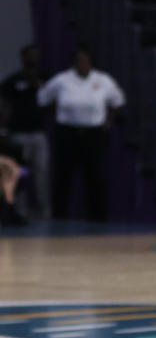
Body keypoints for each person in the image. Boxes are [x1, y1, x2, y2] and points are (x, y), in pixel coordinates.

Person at [37, 46, 124, 221]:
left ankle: (97, 217)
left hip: (94, 134)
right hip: (67, 132)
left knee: (95, 175)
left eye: (86, 60)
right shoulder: (62, 80)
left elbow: (117, 101)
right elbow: (43, 99)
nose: (83, 64)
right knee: (63, 175)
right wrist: (56, 116)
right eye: (79, 60)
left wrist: (107, 121)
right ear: (74, 63)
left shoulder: (103, 80)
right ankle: (59, 215)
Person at [0, 45, 50, 219]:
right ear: (23, 58)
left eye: (36, 57)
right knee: (18, 171)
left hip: (38, 134)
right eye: (30, 57)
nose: (33, 61)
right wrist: (4, 130)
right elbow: (5, 108)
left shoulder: (45, 79)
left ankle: (45, 210)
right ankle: (17, 208)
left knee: (41, 172)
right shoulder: (12, 81)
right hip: (18, 134)